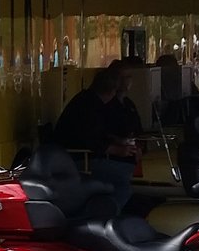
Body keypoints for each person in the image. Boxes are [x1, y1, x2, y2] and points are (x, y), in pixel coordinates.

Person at [53, 58, 144, 210]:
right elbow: (91, 141)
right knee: (124, 177)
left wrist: (119, 141)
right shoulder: (89, 108)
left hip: (79, 157)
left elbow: (97, 134)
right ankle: (109, 213)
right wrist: (119, 149)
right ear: (111, 91)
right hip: (79, 160)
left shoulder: (86, 101)